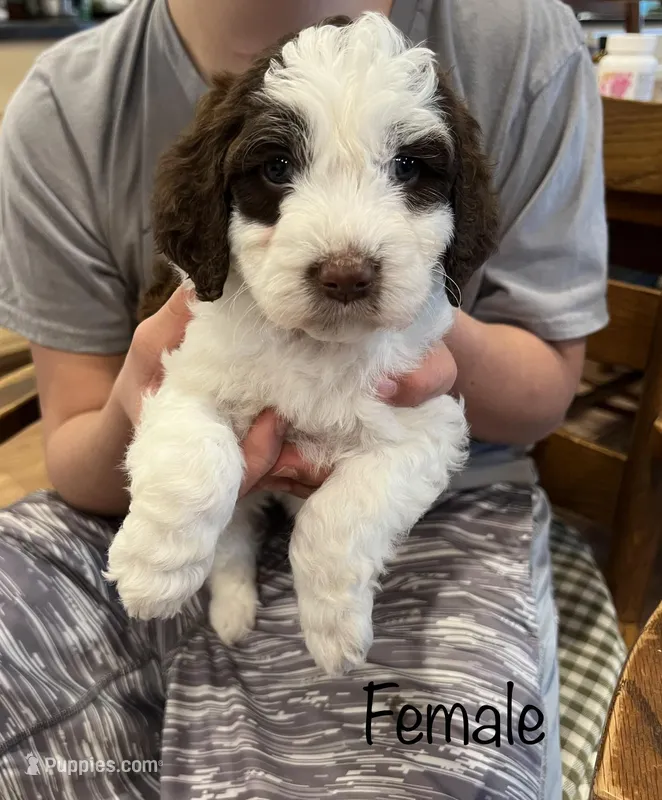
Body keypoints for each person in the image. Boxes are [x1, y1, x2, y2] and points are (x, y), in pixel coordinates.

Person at [0, 0, 607, 797]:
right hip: (139, 508)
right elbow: (80, 455)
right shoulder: (64, 104)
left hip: (441, 513)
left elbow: (537, 395)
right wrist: (172, 442)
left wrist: (434, 341)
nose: (345, 262)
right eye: (279, 170)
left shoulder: (519, 33)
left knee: (412, 766)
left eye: (411, 172)